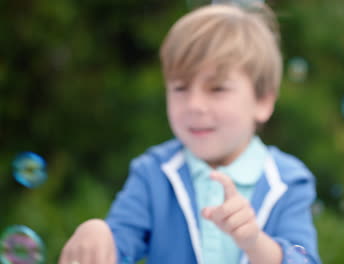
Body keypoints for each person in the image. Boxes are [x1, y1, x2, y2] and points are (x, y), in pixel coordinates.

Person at [59, 2, 321, 264]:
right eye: (180, 88)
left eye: (217, 89)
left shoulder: (289, 181)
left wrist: (254, 242)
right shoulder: (153, 173)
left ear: (262, 101)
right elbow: (118, 246)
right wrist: (96, 233)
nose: (194, 105)